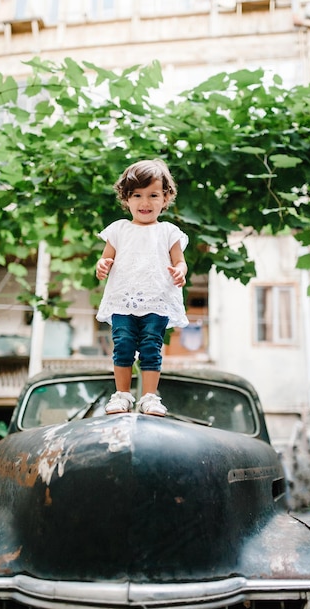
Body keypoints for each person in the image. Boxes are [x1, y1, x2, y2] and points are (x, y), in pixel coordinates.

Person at [96, 158, 188, 416]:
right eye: (137, 195)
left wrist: (179, 273)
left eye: (153, 195)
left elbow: (180, 262)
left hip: (156, 299)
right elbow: (106, 258)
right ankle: (122, 395)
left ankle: (149, 397)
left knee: (151, 346)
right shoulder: (118, 229)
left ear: (166, 198)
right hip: (123, 300)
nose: (145, 202)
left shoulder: (169, 232)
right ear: (126, 199)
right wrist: (102, 266)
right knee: (123, 344)